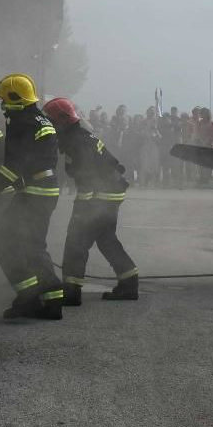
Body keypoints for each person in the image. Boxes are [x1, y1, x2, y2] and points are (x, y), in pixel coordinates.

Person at [45, 98, 138, 305]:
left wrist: (83, 207)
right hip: (111, 190)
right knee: (106, 239)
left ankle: (71, 291)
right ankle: (129, 282)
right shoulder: (78, 134)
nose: (49, 125)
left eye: (50, 120)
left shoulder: (76, 140)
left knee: (76, 240)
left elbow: (87, 174)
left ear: (61, 120)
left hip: (101, 194)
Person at [0, 73, 64, 320]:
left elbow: (14, 164)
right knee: (31, 244)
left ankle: (31, 296)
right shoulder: (41, 118)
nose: (2, 106)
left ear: (16, 99)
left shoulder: (21, 122)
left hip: (35, 191)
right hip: (44, 188)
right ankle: (46, 300)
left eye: (4, 101)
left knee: (3, 241)